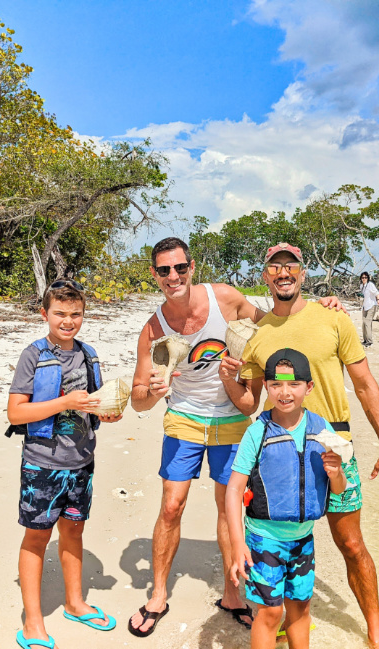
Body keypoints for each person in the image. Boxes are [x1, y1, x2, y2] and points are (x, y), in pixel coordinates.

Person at [127, 237, 345, 637]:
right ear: (155, 275)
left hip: (233, 418)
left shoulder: (225, 298)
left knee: (228, 505)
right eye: (164, 270)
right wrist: (152, 393)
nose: (173, 276)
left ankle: (233, 594)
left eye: (179, 268)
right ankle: (158, 595)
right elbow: (137, 400)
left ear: (192, 268)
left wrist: (319, 306)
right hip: (184, 419)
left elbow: (275, 319)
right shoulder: (153, 329)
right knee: (172, 506)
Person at [219, 243, 379, 649]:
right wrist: (230, 377)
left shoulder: (332, 316)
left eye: (291, 267)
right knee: (283, 536)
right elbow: (249, 403)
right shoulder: (256, 333)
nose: (283, 274)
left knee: (352, 545)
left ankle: (374, 631)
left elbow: (365, 384)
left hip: (334, 449)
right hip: (278, 453)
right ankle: (282, 614)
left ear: (303, 274)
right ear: (264, 275)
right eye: (274, 268)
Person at [6, 280, 122, 649]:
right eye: (60, 314)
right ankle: (34, 622)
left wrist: (106, 412)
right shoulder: (34, 355)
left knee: (74, 531)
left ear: (84, 316)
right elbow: (15, 411)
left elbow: (94, 404)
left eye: (75, 314)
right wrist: (64, 403)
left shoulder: (89, 355)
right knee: (37, 538)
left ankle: (74, 602)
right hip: (42, 464)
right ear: (45, 314)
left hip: (81, 463)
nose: (68, 321)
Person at [225, 349, 346, 649]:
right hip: (264, 540)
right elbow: (233, 489)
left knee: (301, 608)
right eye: (276, 384)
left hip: (304, 540)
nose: (285, 392)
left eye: (293, 385)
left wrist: (335, 474)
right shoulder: (257, 432)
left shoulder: (323, 431)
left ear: (309, 387)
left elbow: (340, 490)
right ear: (266, 386)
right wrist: (238, 545)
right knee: (269, 613)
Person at [359, 272, 379, 347]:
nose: (364, 279)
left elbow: (376, 293)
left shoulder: (370, 285)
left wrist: (378, 300)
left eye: (365, 277)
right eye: (363, 277)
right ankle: (365, 340)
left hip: (372, 306)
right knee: (364, 324)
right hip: (365, 307)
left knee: (367, 322)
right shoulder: (361, 286)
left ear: (368, 278)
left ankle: (369, 341)